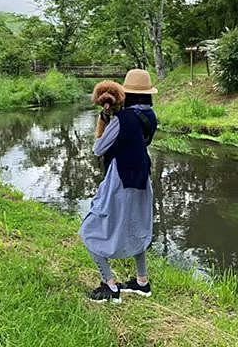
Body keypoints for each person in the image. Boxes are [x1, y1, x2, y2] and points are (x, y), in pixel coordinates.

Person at [80, 69, 158, 303]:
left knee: (89, 230)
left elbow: (98, 149)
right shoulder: (150, 116)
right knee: (136, 227)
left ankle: (110, 285)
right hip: (142, 179)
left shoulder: (124, 119)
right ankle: (142, 283)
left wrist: (105, 120)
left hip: (120, 182)